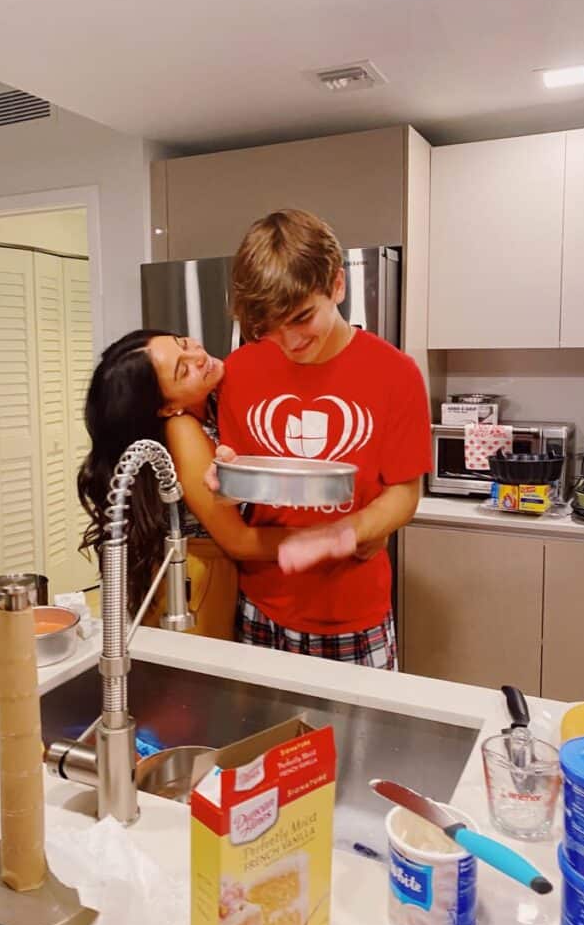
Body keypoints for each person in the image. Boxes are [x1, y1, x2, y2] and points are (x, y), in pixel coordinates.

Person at [212, 208, 432, 667]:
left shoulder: (396, 373)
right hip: (261, 605)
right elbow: (243, 493)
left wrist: (343, 533)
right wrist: (226, 484)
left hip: (353, 613)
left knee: (359, 741)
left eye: (301, 317)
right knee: (264, 739)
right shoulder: (238, 371)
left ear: (336, 285)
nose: (289, 340)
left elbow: (404, 496)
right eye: (271, 328)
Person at [78, 329, 350, 638]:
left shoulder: (210, 405)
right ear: (167, 407)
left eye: (182, 341)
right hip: (201, 581)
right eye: (183, 369)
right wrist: (334, 539)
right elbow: (237, 539)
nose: (198, 355)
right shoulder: (183, 431)